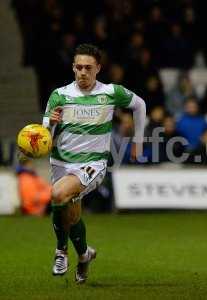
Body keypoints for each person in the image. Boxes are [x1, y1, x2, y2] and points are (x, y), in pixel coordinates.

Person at [42, 44, 146, 283]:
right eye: (78, 67)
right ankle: (84, 255)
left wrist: (139, 141)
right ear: (73, 68)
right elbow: (44, 136)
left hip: (93, 164)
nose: (83, 72)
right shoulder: (60, 95)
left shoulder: (110, 92)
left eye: (88, 68)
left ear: (98, 68)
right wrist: (50, 123)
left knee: (58, 195)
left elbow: (139, 104)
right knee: (72, 213)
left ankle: (61, 252)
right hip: (61, 163)